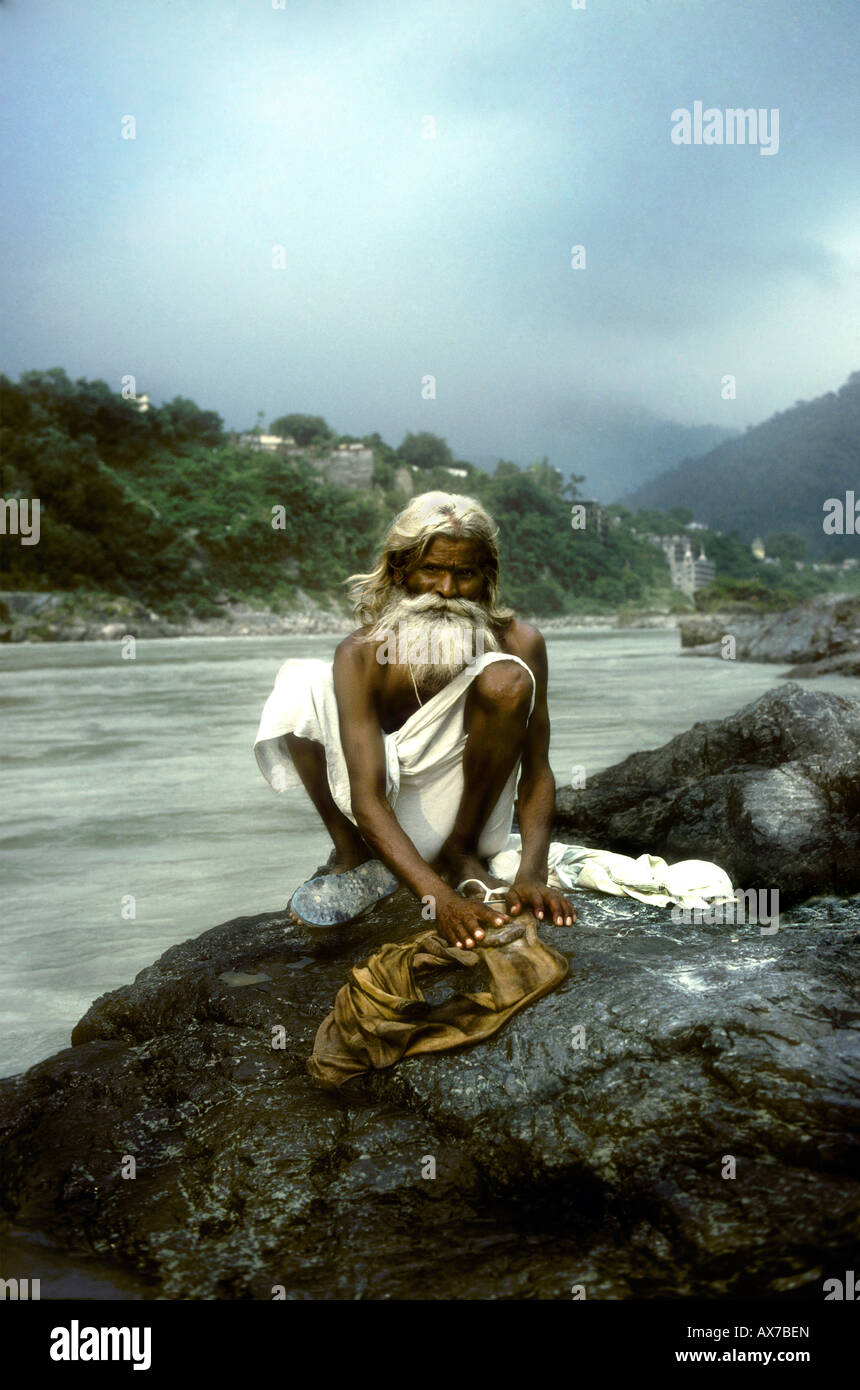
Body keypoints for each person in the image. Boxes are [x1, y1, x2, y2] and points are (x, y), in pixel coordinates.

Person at [253, 491, 576, 950]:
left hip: (471, 820)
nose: (446, 590)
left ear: (486, 577)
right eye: (431, 571)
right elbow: (366, 797)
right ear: (401, 570)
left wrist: (532, 873)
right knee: (300, 681)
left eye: (464, 574)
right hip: (379, 823)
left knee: (507, 678)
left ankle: (461, 856)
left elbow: (537, 768)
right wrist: (442, 902)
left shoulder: (521, 642)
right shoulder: (362, 653)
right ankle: (351, 852)